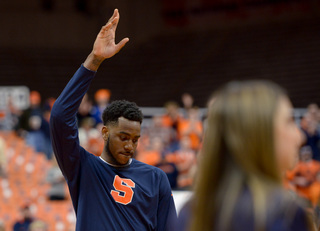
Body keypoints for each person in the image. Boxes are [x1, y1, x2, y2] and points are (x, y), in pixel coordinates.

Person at [50, 9, 176, 230]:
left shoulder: (156, 178)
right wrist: (94, 60)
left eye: (135, 139)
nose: (130, 146)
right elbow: (60, 116)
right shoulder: (82, 167)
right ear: (105, 133)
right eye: (124, 137)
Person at [174, 81, 313, 231]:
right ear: (257, 134)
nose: (299, 136)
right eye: (289, 121)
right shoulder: (286, 214)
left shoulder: (191, 211)